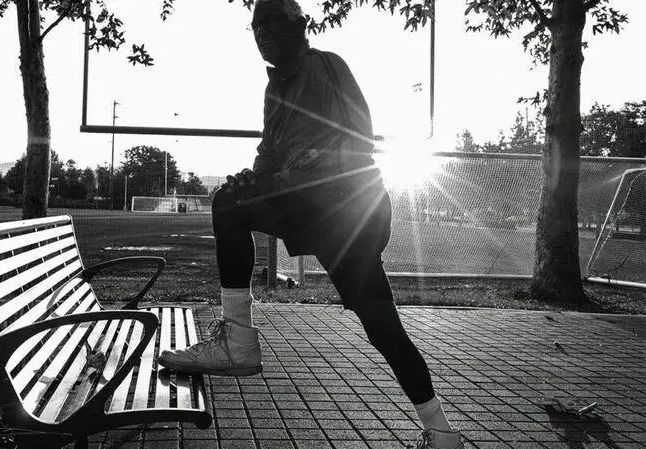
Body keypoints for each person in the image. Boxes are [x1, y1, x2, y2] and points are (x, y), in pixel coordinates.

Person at [158, 1, 464, 447]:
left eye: (272, 23)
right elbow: (271, 154)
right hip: (318, 209)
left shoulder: (327, 66)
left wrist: (279, 180)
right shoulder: (274, 89)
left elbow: (354, 141)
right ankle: (441, 433)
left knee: (230, 207)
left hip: (344, 207)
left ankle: (239, 343)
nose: (262, 32)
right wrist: (256, 178)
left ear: (300, 26)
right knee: (382, 326)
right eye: (256, 26)